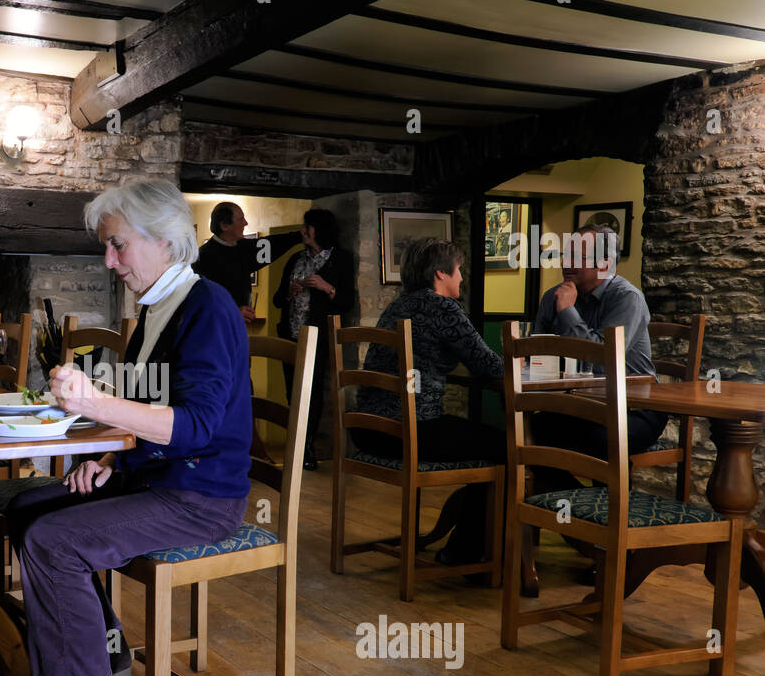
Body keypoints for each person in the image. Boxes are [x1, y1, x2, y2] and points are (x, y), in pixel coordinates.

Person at [3, 178, 253, 676]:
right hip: (157, 479)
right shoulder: (157, 309)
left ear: (165, 240)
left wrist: (92, 403)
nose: (110, 261)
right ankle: (106, 649)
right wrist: (114, 457)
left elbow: (194, 426)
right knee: (27, 508)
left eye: (118, 245)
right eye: (107, 247)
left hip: (201, 499)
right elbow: (150, 416)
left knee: (53, 541)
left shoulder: (207, 309)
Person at [351, 237, 504, 565]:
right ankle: (467, 555)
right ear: (440, 274)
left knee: (487, 443)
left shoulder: (399, 305)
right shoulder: (443, 307)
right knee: (506, 448)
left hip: (368, 430)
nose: (461, 278)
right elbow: (491, 366)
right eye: (459, 271)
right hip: (409, 431)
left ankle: (467, 548)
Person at [530, 223, 667, 496]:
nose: (566, 262)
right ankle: (576, 510)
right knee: (531, 432)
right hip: (580, 404)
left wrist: (568, 312)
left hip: (634, 407)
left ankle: (610, 521)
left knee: (603, 440)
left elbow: (604, 359)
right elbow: (536, 354)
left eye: (578, 256)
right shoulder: (553, 297)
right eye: (566, 254)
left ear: (605, 263)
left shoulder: (627, 297)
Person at [273, 208, 354, 470]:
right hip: (290, 336)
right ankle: (295, 446)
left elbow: (346, 302)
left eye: (307, 226)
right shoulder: (295, 259)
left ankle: (306, 448)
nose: (302, 230)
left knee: (313, 392)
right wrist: (289, 292)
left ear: (319, 229)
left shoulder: (341, 260)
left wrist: (326, 287)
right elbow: (277, 300)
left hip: (318, 340)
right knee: (291, 393)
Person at [193, 201, 259, 321]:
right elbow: (197, 301)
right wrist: (233, 311)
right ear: (224, 226)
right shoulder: (202, 257)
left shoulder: (240, 251)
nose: (246, 223)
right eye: (241, 219)